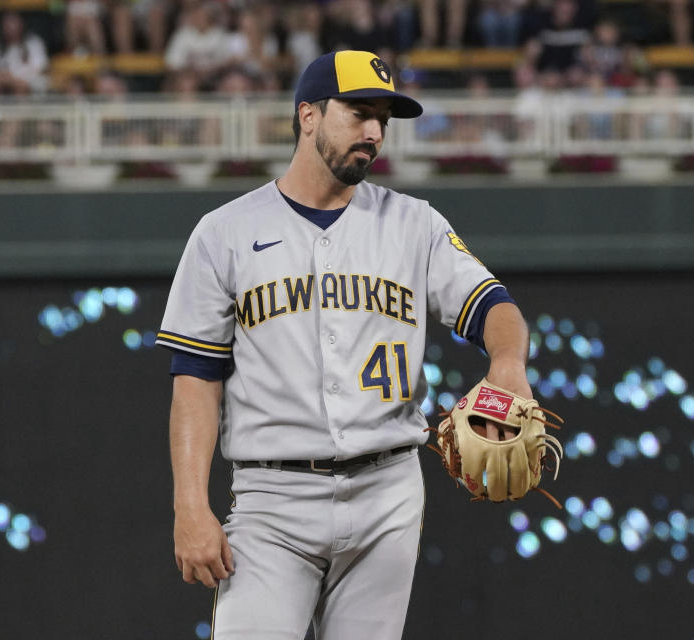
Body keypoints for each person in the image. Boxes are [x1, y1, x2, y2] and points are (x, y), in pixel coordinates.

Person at [157, 50, 533, 640]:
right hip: (271, 498)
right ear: (308, 115)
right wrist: (189, 505)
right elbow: (195, 380)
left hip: (387, 492)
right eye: (358, 112)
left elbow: (494, 306)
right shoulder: (223, 233)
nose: (375, 132)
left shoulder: (416, 224)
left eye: (383, 117)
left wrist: (508, 363)